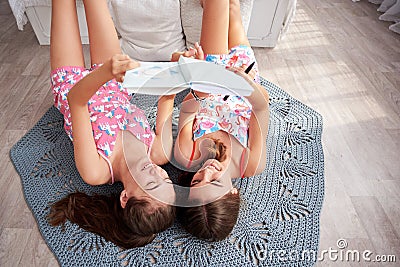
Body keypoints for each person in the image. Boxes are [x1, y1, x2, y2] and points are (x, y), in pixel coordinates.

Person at [46, 0, 176, 249]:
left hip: (73, 83)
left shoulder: (97, 171)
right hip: (114, 81)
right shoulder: (159, 153)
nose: (157, 173)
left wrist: (105, 72)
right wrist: (182, 64)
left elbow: (77, 101)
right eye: (166, 181)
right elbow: (168, 95)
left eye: (151, 185)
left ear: (125, 197)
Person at [173, 0, 270, 241]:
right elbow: (262, 106)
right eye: (214, 182)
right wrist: (249, 88)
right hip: (243, 77)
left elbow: (185, 112)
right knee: (233, 8)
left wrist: (200, 91)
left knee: (217, 4)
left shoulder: (187, 155)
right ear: (233, 193)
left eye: (196, 181)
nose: (206, 172)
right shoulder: (251, 163)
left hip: (211, 78)